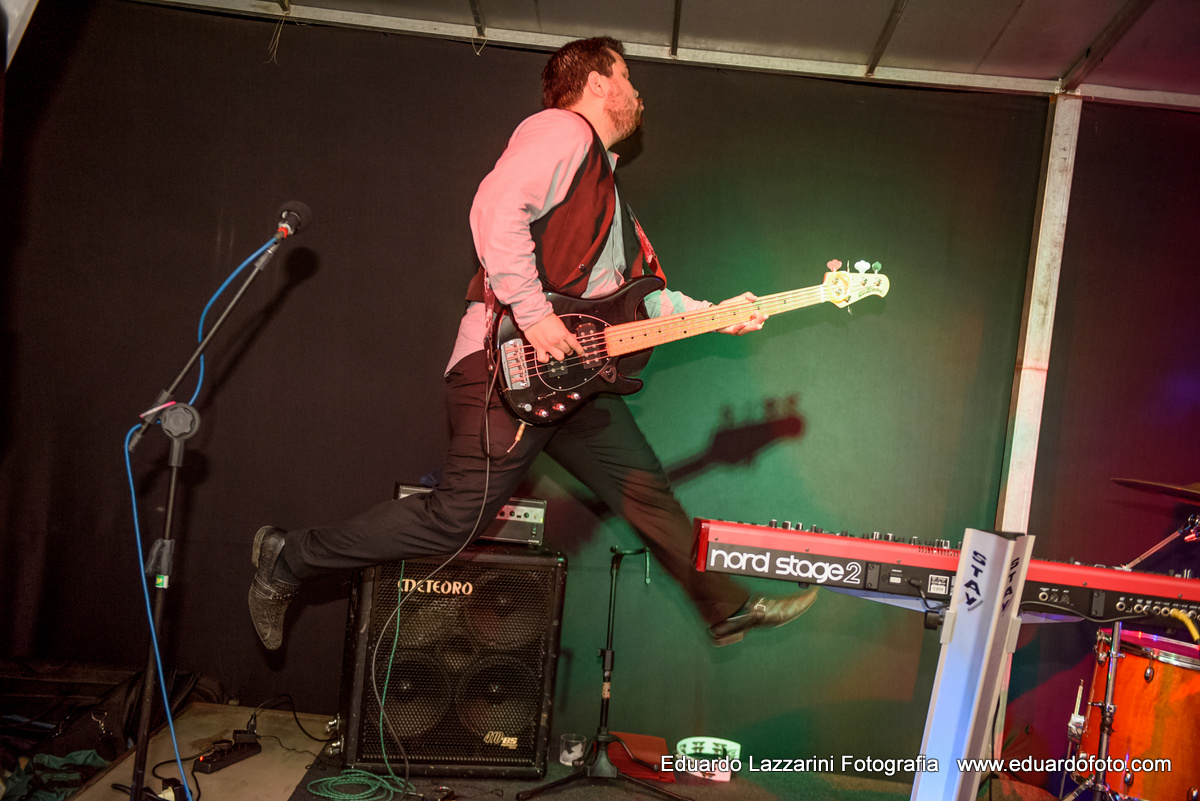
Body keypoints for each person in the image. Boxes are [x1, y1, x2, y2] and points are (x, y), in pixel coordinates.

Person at [248, 36, 816, 651]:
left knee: (645, 494)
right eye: (627, 78)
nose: (639, 95)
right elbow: (495, 207)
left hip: (574, 378)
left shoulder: (608, 194)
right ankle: (289, 558)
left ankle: (727, 606)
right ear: (598, 83)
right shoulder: (563, 132)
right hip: (506, 365)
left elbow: (636, 300)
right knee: (454, 522)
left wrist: (716, 314)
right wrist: (536, 314)